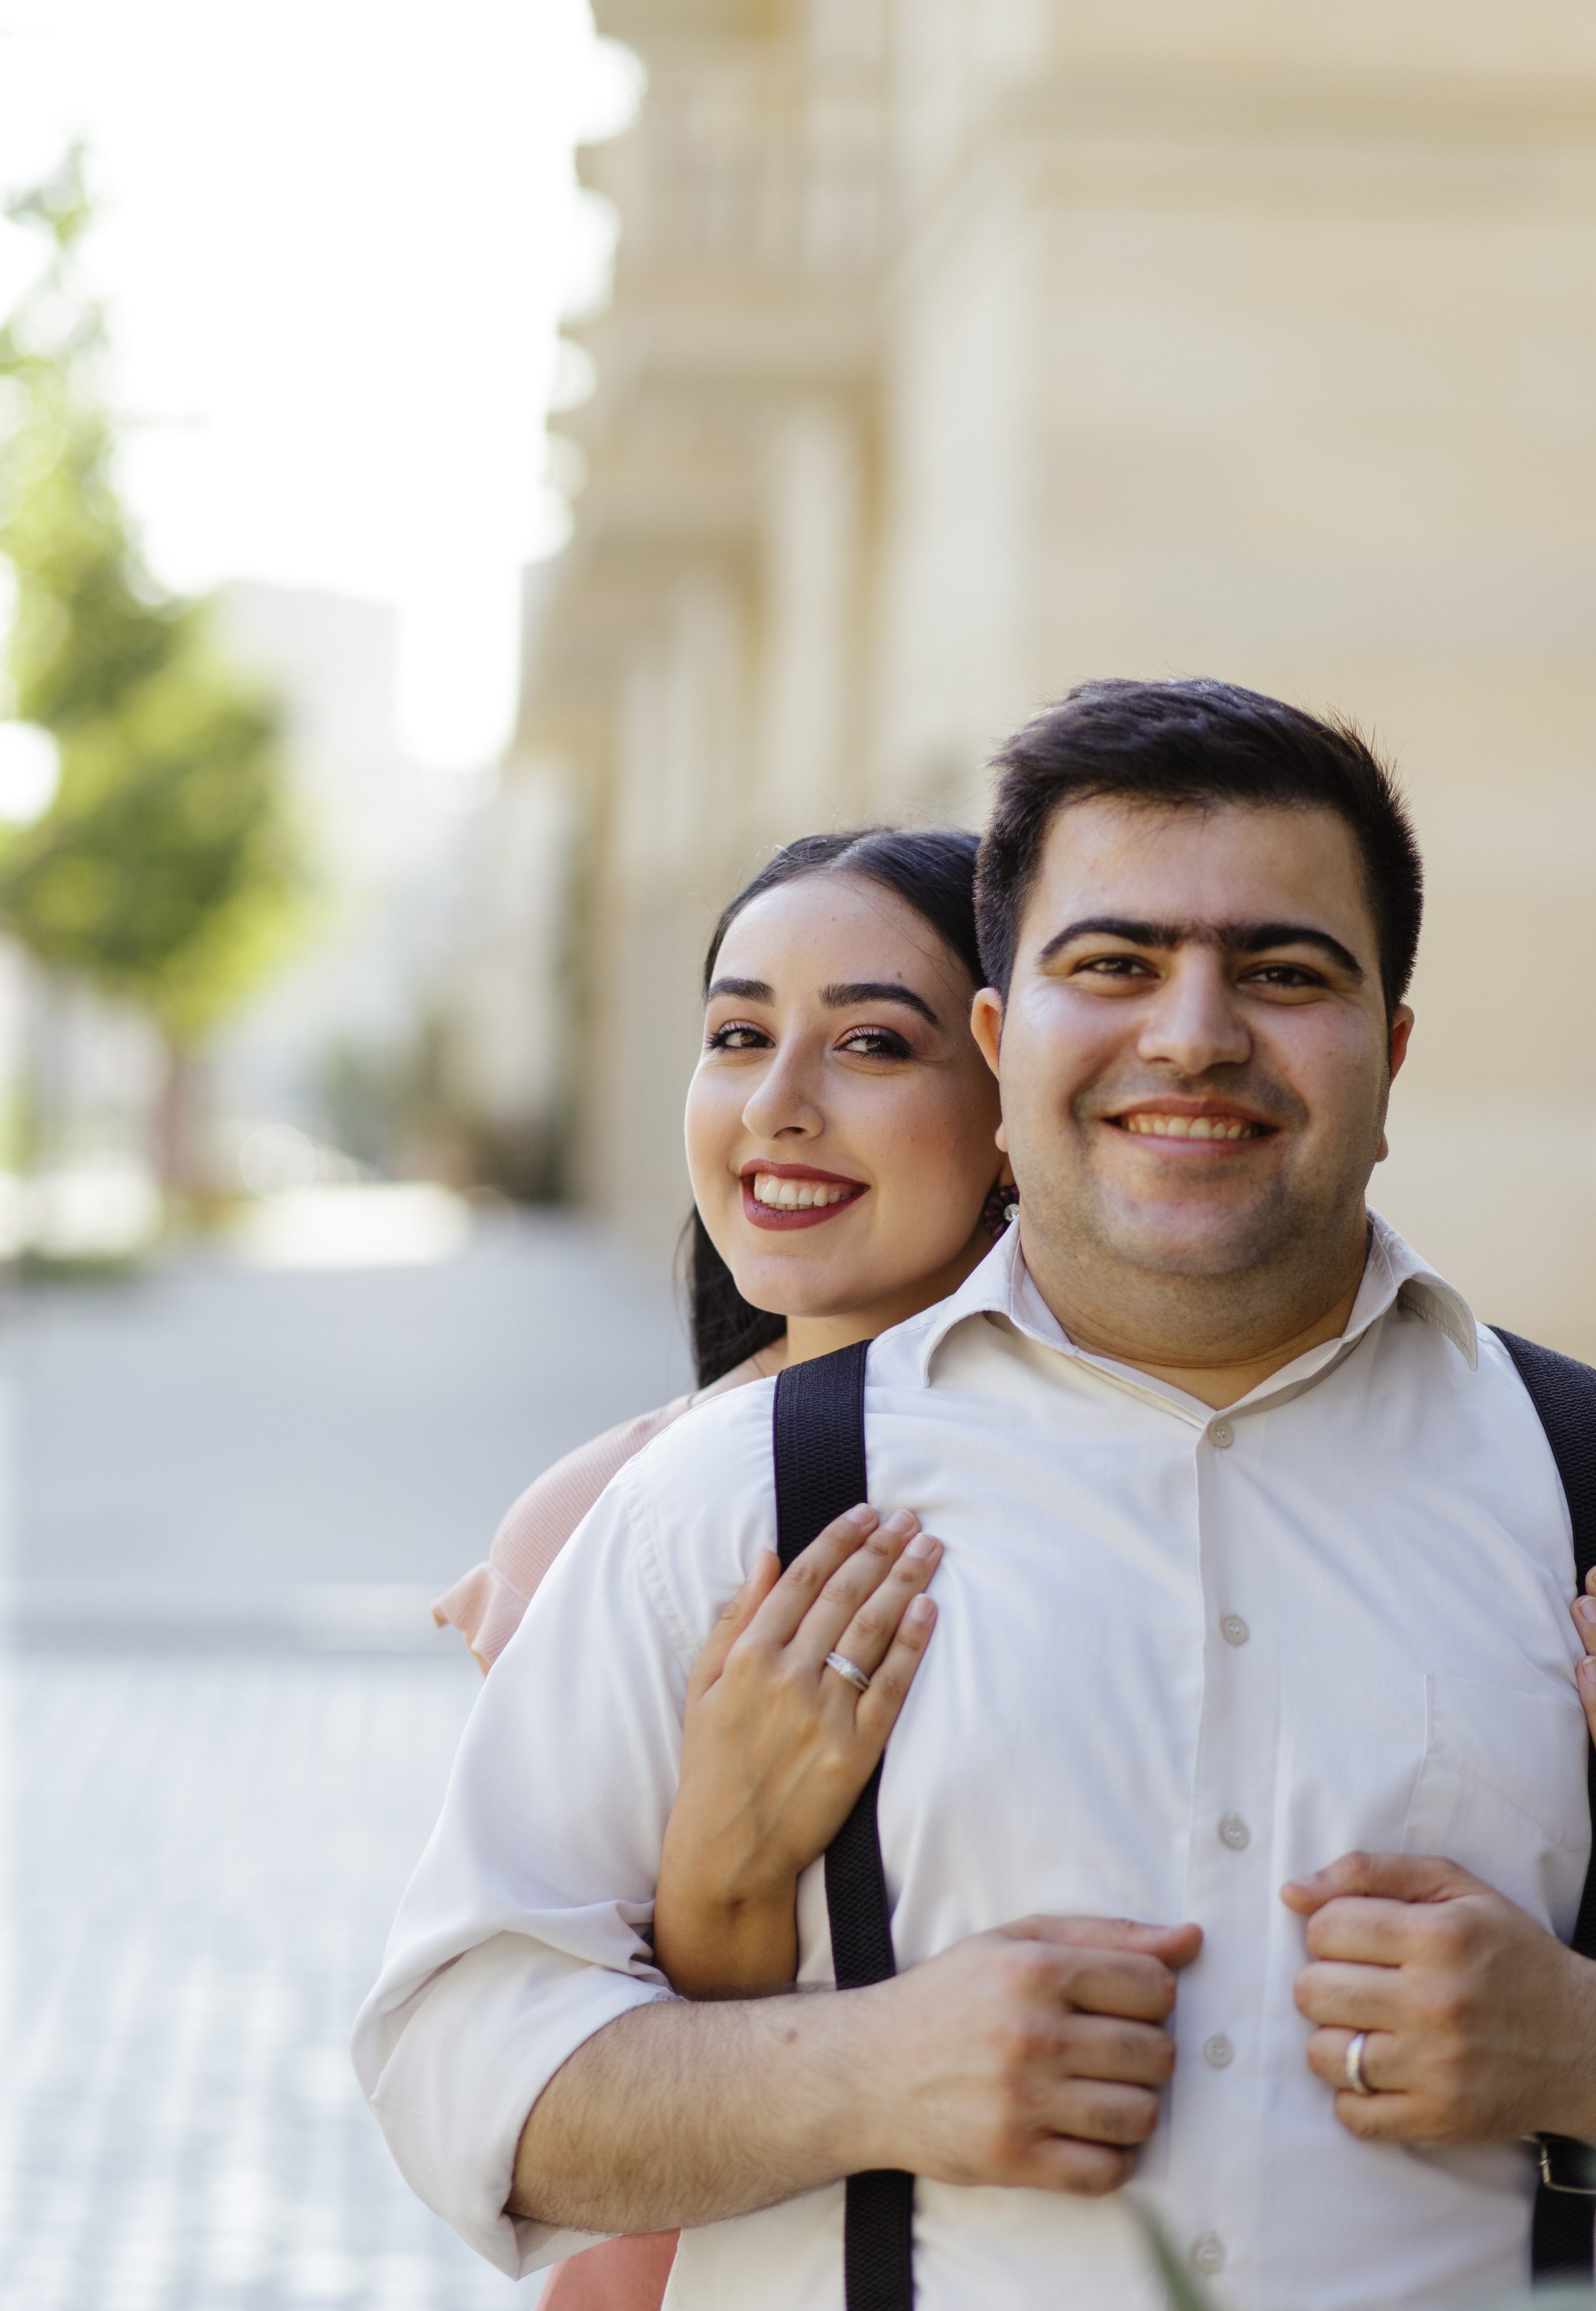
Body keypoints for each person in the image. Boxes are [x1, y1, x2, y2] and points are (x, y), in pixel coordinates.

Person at [357, 677, 1596, 2311]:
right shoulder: (732, 1501)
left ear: (1393, 1048)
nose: (1194, 1033)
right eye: (1116, 965)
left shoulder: (1573, 1488)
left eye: (1284, 972)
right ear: (1008, 1043)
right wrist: (861, 2073)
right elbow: (458, 2079)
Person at [431, 825, 1011, 2307]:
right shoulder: (612, 1516)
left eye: (871, 1043)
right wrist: (721, 1878)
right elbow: (549, 2064)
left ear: (1018, 1091)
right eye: (737, 1035)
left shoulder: (1144, 1472)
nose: (775, 1105)